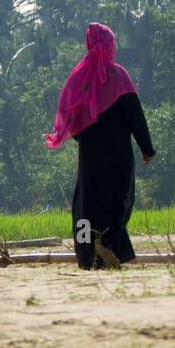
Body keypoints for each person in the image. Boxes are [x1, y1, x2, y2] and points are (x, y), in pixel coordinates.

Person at [46, 23, 154, 269]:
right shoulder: (119, 76)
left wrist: (88, 142)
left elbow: (70, 120)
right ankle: (107, 242)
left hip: (90, 158)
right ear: (109, 46)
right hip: (119, 155)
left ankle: (89, 257)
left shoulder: (78, 79)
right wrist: (147, 148)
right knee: (121, 200)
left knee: (88, 206)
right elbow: (135, 115)